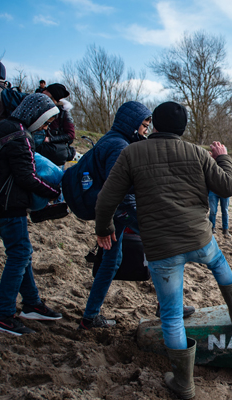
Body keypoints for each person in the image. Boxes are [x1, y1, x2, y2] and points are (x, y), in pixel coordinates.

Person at [94, 101, 232, 398]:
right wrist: (224, 158)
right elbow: (228, 187)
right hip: (199, 238)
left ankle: (184, 384)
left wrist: (104, 229)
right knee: (219, 265)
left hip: (162, 248)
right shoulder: (196, 152)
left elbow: (106, 199)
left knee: (171, 315)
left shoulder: (131, 153)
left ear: (154, 125)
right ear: (183, 129)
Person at [0, 94, 63, 336]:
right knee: (20, 253)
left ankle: (31, 303)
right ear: (36, 116)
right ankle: (3, 316)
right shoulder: (20, 136)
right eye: (46, 122)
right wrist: (55, 192)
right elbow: (27, 177)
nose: (45, 129)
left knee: (21, 252)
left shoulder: (3, 127)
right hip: (8, 205)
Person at [78, 101, 152, 330]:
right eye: (144, 124)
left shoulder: (111, 139)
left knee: (111, 261)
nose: (146, 129)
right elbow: (115, 187)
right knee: (161, 245)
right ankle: (168, 307)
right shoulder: (119, 146)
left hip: (114, 213)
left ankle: (90, 317)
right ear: (132, 124)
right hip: (121, 211)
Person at [37, 83, 76, 166]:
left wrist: (50, 139)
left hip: (54, 154)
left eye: (47, 91)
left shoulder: (63, 113)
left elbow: (71, 135)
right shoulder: (39, 106)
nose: (43, 92)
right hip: (38, 151)